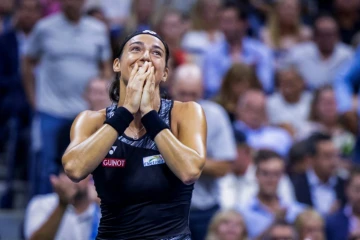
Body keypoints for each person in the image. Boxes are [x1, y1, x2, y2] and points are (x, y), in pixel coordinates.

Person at [62, 30, 207, 239]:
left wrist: (149, 114)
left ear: (165, 73)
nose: (146, 56)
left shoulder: (186, 113)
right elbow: (74, 169)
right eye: (136, 49)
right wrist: (127, 111)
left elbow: (190, 171)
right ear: (117, 65)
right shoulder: (91, 120)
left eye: (156, 53)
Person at [170, 63, 237, 240]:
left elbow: (224, 167)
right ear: (171, 89)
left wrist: (181, 158)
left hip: (204, 210)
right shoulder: (155, 114)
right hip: (165, 209)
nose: (187, 100)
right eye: (182, 93)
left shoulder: (215, 115)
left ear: (203, 91)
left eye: (193, 95)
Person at [24, 172, 100, 240]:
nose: (74, 179)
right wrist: (62, 204)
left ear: (90, 178)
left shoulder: (100, 208)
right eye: (68, 174)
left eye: (80, 174)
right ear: (60, 177)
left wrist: (102, 203)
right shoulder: (41, 203)